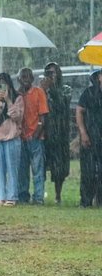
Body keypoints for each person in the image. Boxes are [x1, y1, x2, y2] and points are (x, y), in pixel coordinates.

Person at [0, 73, 24, 206]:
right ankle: (0, 196)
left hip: (12, 136)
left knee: (12, 167)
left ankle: (12, 196)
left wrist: (8, 100)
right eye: (0, 85)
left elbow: (17, 117)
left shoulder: (18, 98)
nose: (2, 88)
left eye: (5, 85)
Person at [40, 62, 72, 204]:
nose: (52, 75)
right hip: (44, 132)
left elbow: (62, 105)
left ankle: (58, 195)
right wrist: (43, 90)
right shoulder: (41, 90)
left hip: (60, 133)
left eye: (54, 72)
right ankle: (39, 193)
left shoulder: (66, 89)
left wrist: (51, 89)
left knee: (59, 167)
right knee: (40, 165)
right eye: (49, 73)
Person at [17, 67, 49, 205]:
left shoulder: (38, 92)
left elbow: (43, 116)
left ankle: (38, 197)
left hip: (36, 137)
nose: (25, 79)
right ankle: (23, 195)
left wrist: (36, 133)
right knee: (22, 170)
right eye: (23, 77)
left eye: (28, 76)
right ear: (18, 79)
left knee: (38, 169)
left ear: (32, 78)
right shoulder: (17, 94)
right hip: (20, 137)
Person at [76, 69, 102, 208]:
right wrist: (83, 132)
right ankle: (85, 201)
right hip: (90, 137)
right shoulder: (89, 93)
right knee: (88, 170)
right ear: (98, 77)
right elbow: (79, 111)